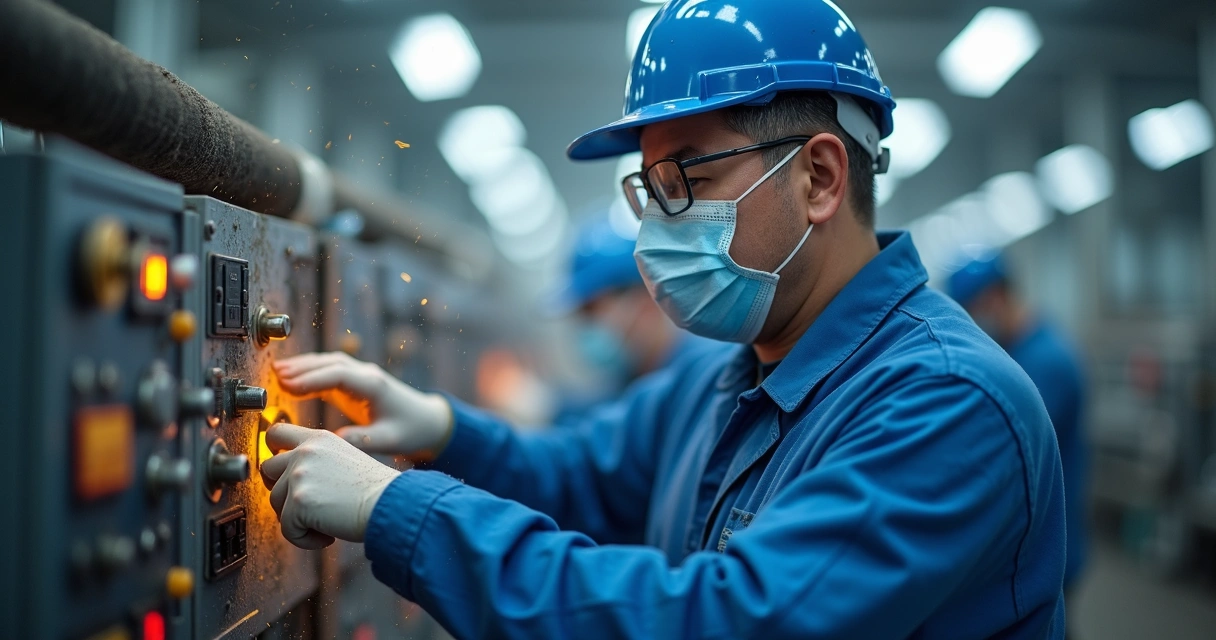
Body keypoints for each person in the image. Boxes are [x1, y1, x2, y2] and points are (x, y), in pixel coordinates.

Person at [260, 2, 1067, 637]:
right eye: (650, 190)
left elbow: (721, 621)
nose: (656, 229)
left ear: (819, 178)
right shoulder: (729, 375)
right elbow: (580, 476)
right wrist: (439, 429)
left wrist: (396, 510)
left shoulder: (946, 402)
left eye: (686, 181)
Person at [948, 254, 1089, 602]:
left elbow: (1003, 449)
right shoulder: (1017, 350)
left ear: (996, 298)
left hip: (1046, 543)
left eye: (974, 310)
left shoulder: (1045, 362)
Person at [550, 216, 720, 420]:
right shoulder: (628, 385)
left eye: (593, 312)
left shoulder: (710, 376)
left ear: (646, 295)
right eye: (583, 316)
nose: (589, 328)